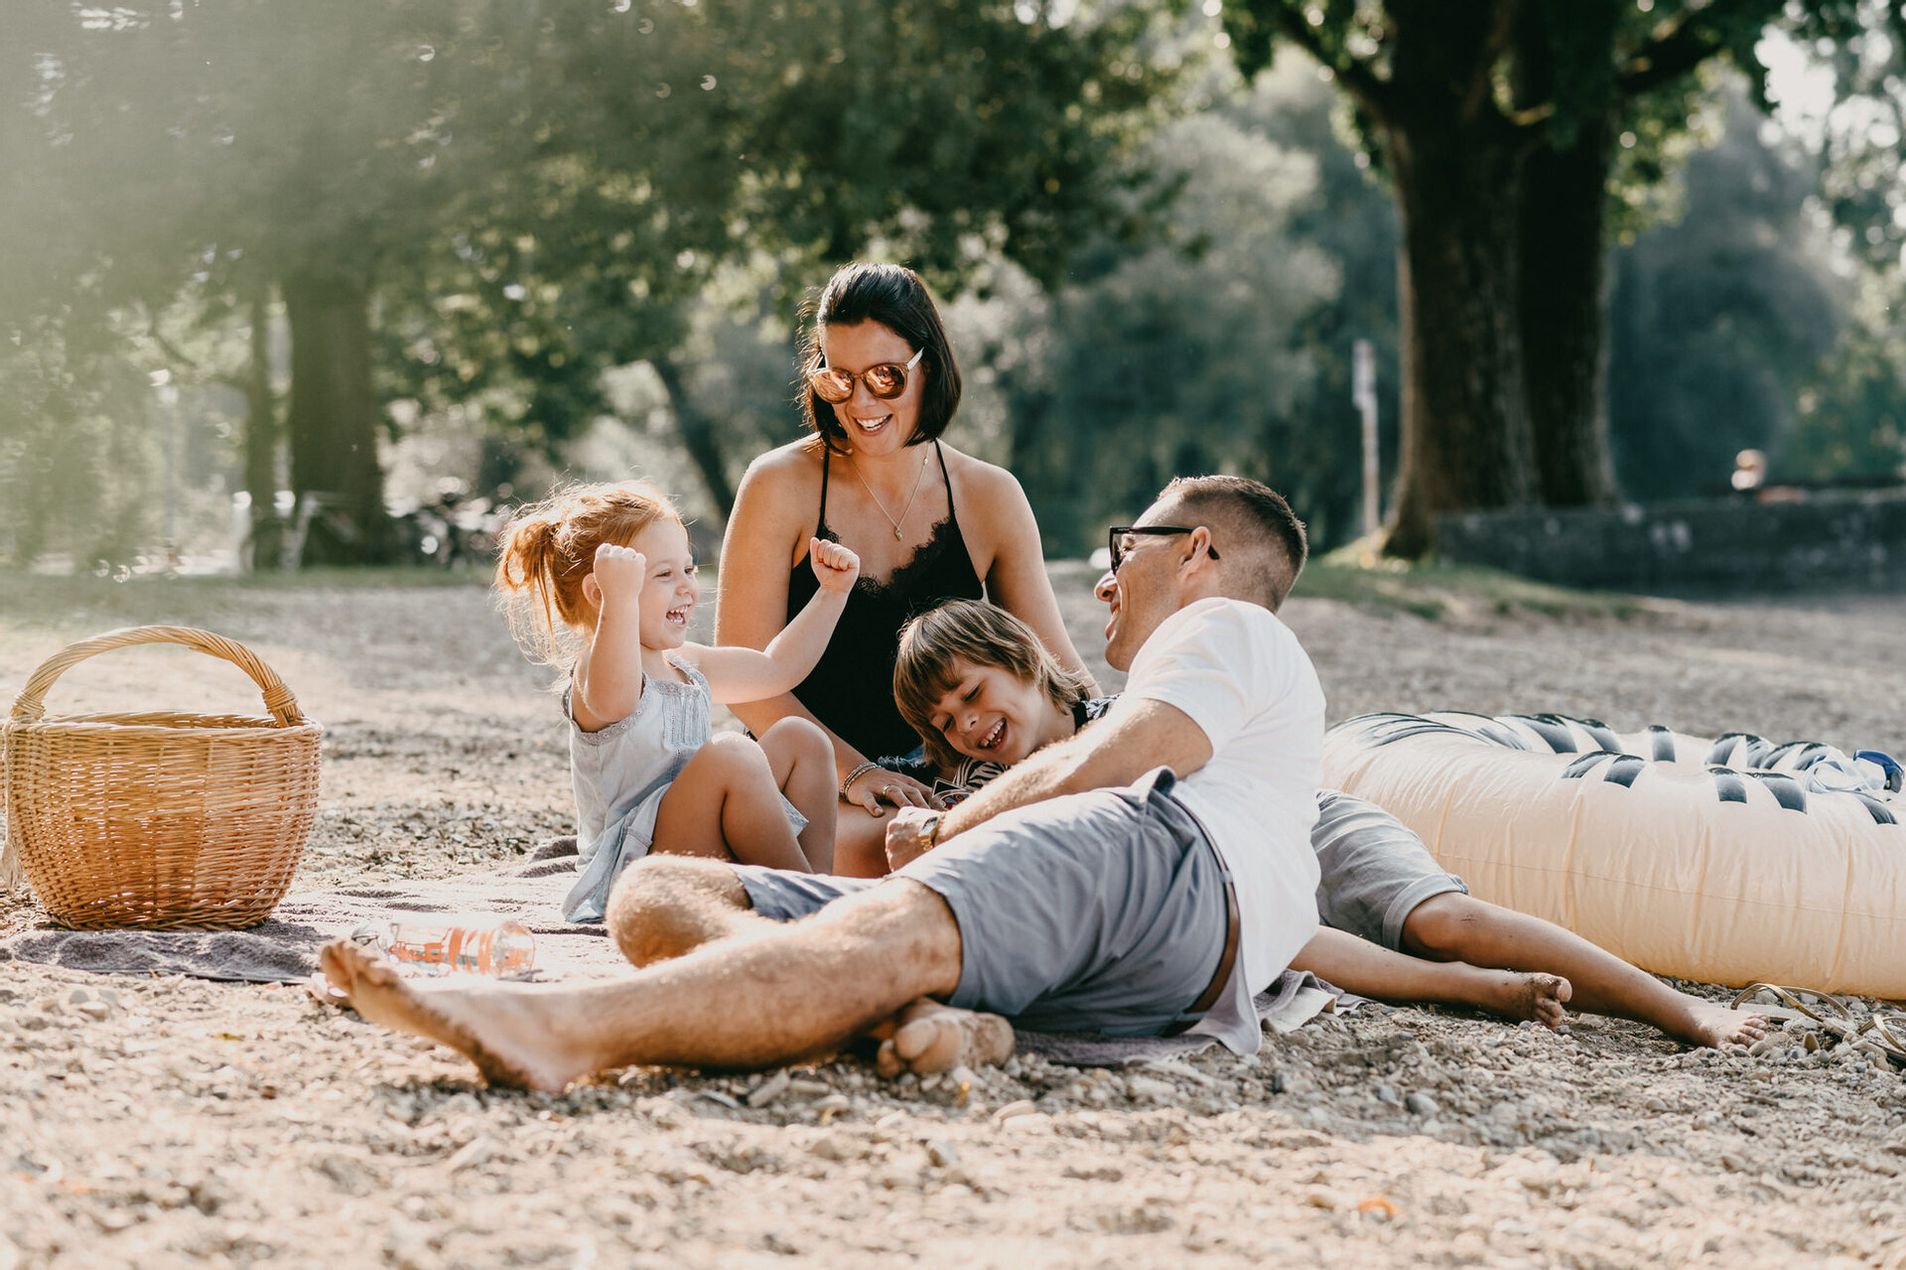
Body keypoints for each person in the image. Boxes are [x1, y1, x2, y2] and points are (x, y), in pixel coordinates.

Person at [318, 475, 1323, 1090]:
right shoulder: (1241, 748)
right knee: (656, 893)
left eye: (1124, 551)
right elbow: (1302, 912)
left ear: (1197, 553)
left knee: (858, 874)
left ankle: (563, 1031)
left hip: (1150, 877)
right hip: (1141, 952)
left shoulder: (1224, 625)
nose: (1105, 577)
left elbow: (1116, 761)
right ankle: (889, 1008)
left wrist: (951, 828)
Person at [889, 598, 1770, 1049]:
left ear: (1021, 659)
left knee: (1443, 920)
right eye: (945, 723)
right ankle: (1469, 989)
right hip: (1228, 877)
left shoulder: (1124, 715)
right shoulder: (985, 794)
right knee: (1277, 936)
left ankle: (1679, 1010)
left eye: (972, 693)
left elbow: (1133, 760)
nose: (967, 724)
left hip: (1304, 820)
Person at [714, 262, 1097, 875]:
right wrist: (857, 773)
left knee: (1008, 832)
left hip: (960, 778)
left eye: (885, 377)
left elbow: (1055, 668)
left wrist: (1119, 737)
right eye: (838, 379)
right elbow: (745, 680)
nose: (861, 403)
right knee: (896, 849)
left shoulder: (990, 495)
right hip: (821, 777)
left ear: (930, 366)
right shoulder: (778, 484)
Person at [492, 481, 861, 921]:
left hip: (700, 847)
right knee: (733, 752)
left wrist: (832, 593)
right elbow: (616, 702)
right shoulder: (599, 670)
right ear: (601, 593)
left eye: (688, 568)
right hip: (641, 876)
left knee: (802, 739)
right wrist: (619, 600)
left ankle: (813, 885)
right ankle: (814, 910)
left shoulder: (685, 662)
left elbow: (776, 669)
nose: (688, 587)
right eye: (664, 575)